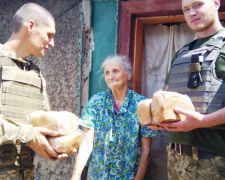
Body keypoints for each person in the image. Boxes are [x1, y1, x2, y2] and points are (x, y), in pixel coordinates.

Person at [149, 0, 225, 179]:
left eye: (198, 4)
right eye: (186, 9)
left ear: (215, 3)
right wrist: (157, 120)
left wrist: (202, 120)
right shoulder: (182, 53)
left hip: (214, 160)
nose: (192, 13)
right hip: (177, 157)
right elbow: (166, 98)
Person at [0, 3, 75, 180]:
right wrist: (27, 135)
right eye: (49, 35)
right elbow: (29, 134)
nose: (53, 43)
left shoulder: (35, 74)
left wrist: (54, 145)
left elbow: (40, 127)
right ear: (31, 26)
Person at [71, 55, 159, 180]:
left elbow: (146, 149)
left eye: (115, 71)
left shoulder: (141, 105)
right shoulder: (96, 102)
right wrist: (75, 176)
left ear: (128, 75)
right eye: (107, 73)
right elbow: (86, 143)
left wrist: (138, 178)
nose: (110, 76)